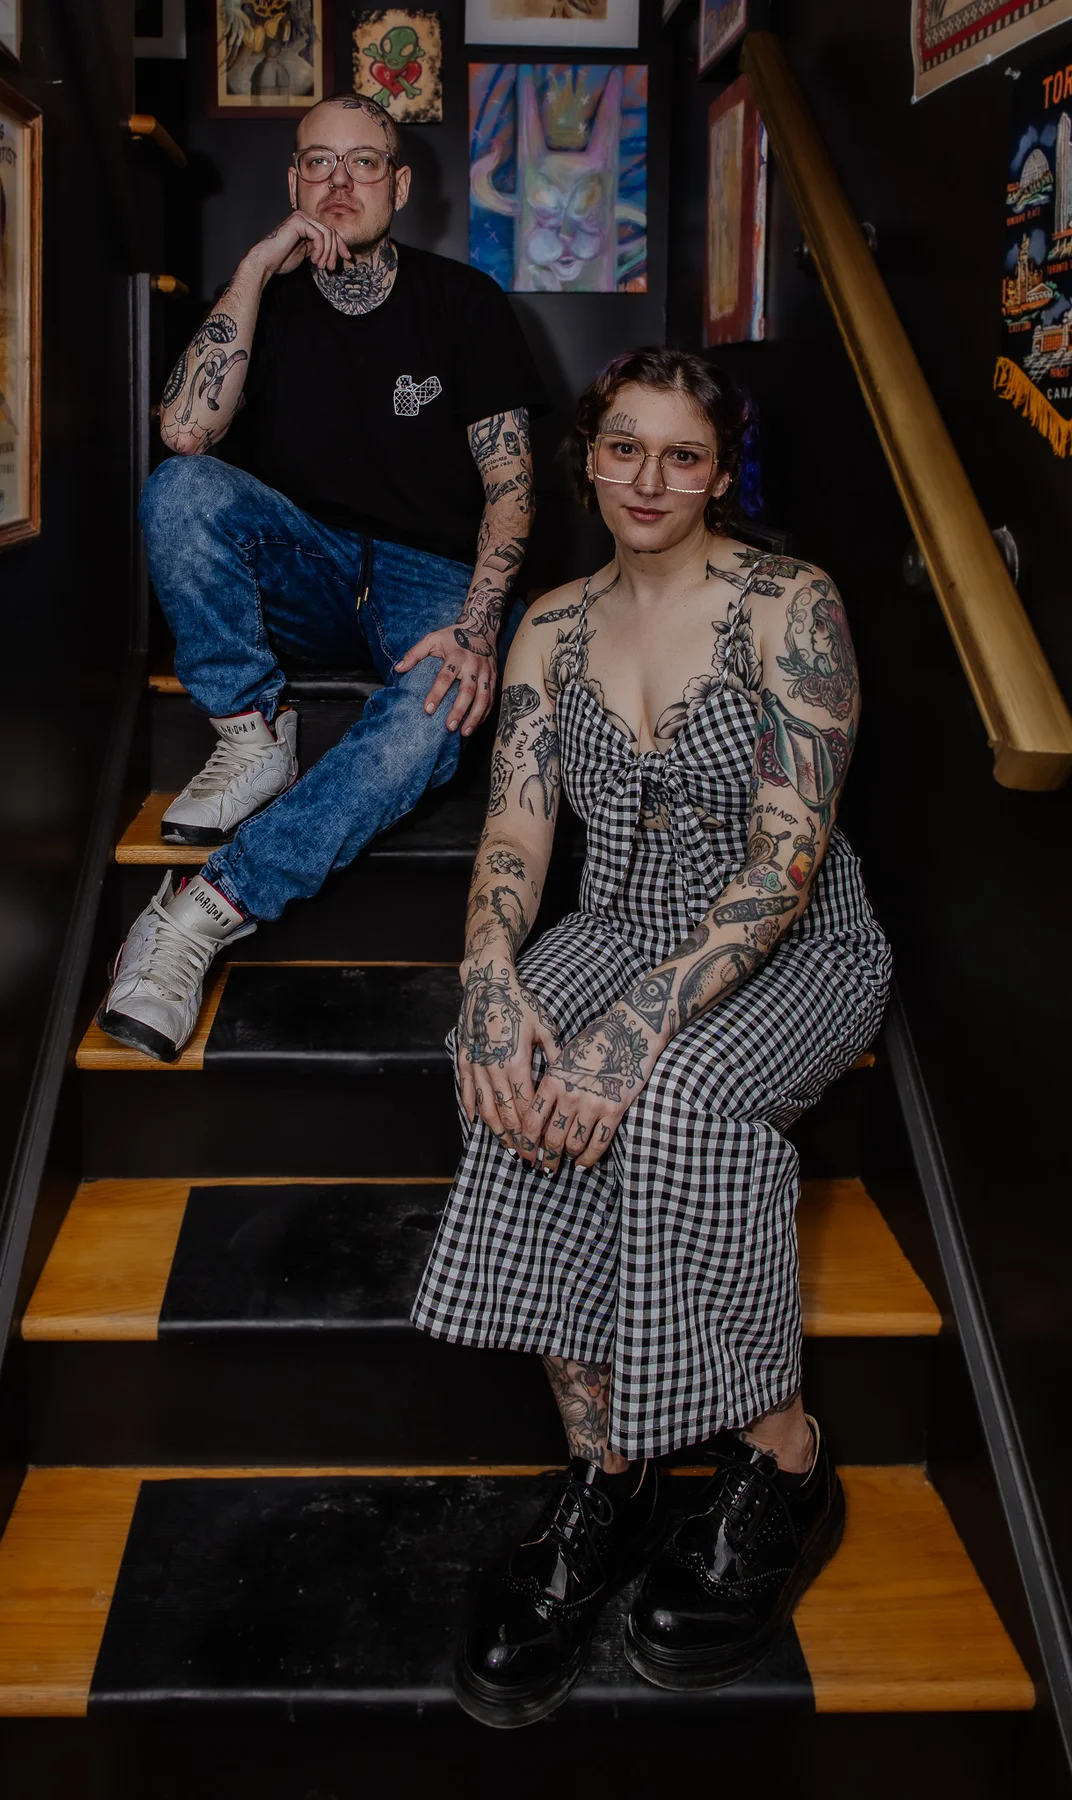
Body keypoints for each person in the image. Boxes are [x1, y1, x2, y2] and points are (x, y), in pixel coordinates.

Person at [411, 347, 892, 1727]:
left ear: (719, 473)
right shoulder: (551, 625)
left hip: (789, 939)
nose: (648, 478)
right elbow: (517, 827)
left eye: (682, 455)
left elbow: (786, 864)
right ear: (590, 454)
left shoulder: (788, 605)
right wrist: (490, 974)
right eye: (624, 447)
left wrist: (630, 1032)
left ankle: (782, 1460)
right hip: (614, 923)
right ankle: (610, 1469)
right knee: (499, 1066)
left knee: (671, 1097)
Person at [99, 92, 546, 1061]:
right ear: (293, 179)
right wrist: (258, 269)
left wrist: (477, 627)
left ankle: (208, 907)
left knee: (439, 705)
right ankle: (249, 733)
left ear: (401, 183)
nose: (340, 182)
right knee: (180, 489)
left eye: (364, 163)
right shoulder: (266, 301)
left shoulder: (463, 302)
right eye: (318, 163)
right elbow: (183, 435)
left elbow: (511, 489)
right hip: (308, 569)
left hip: (434, 582)